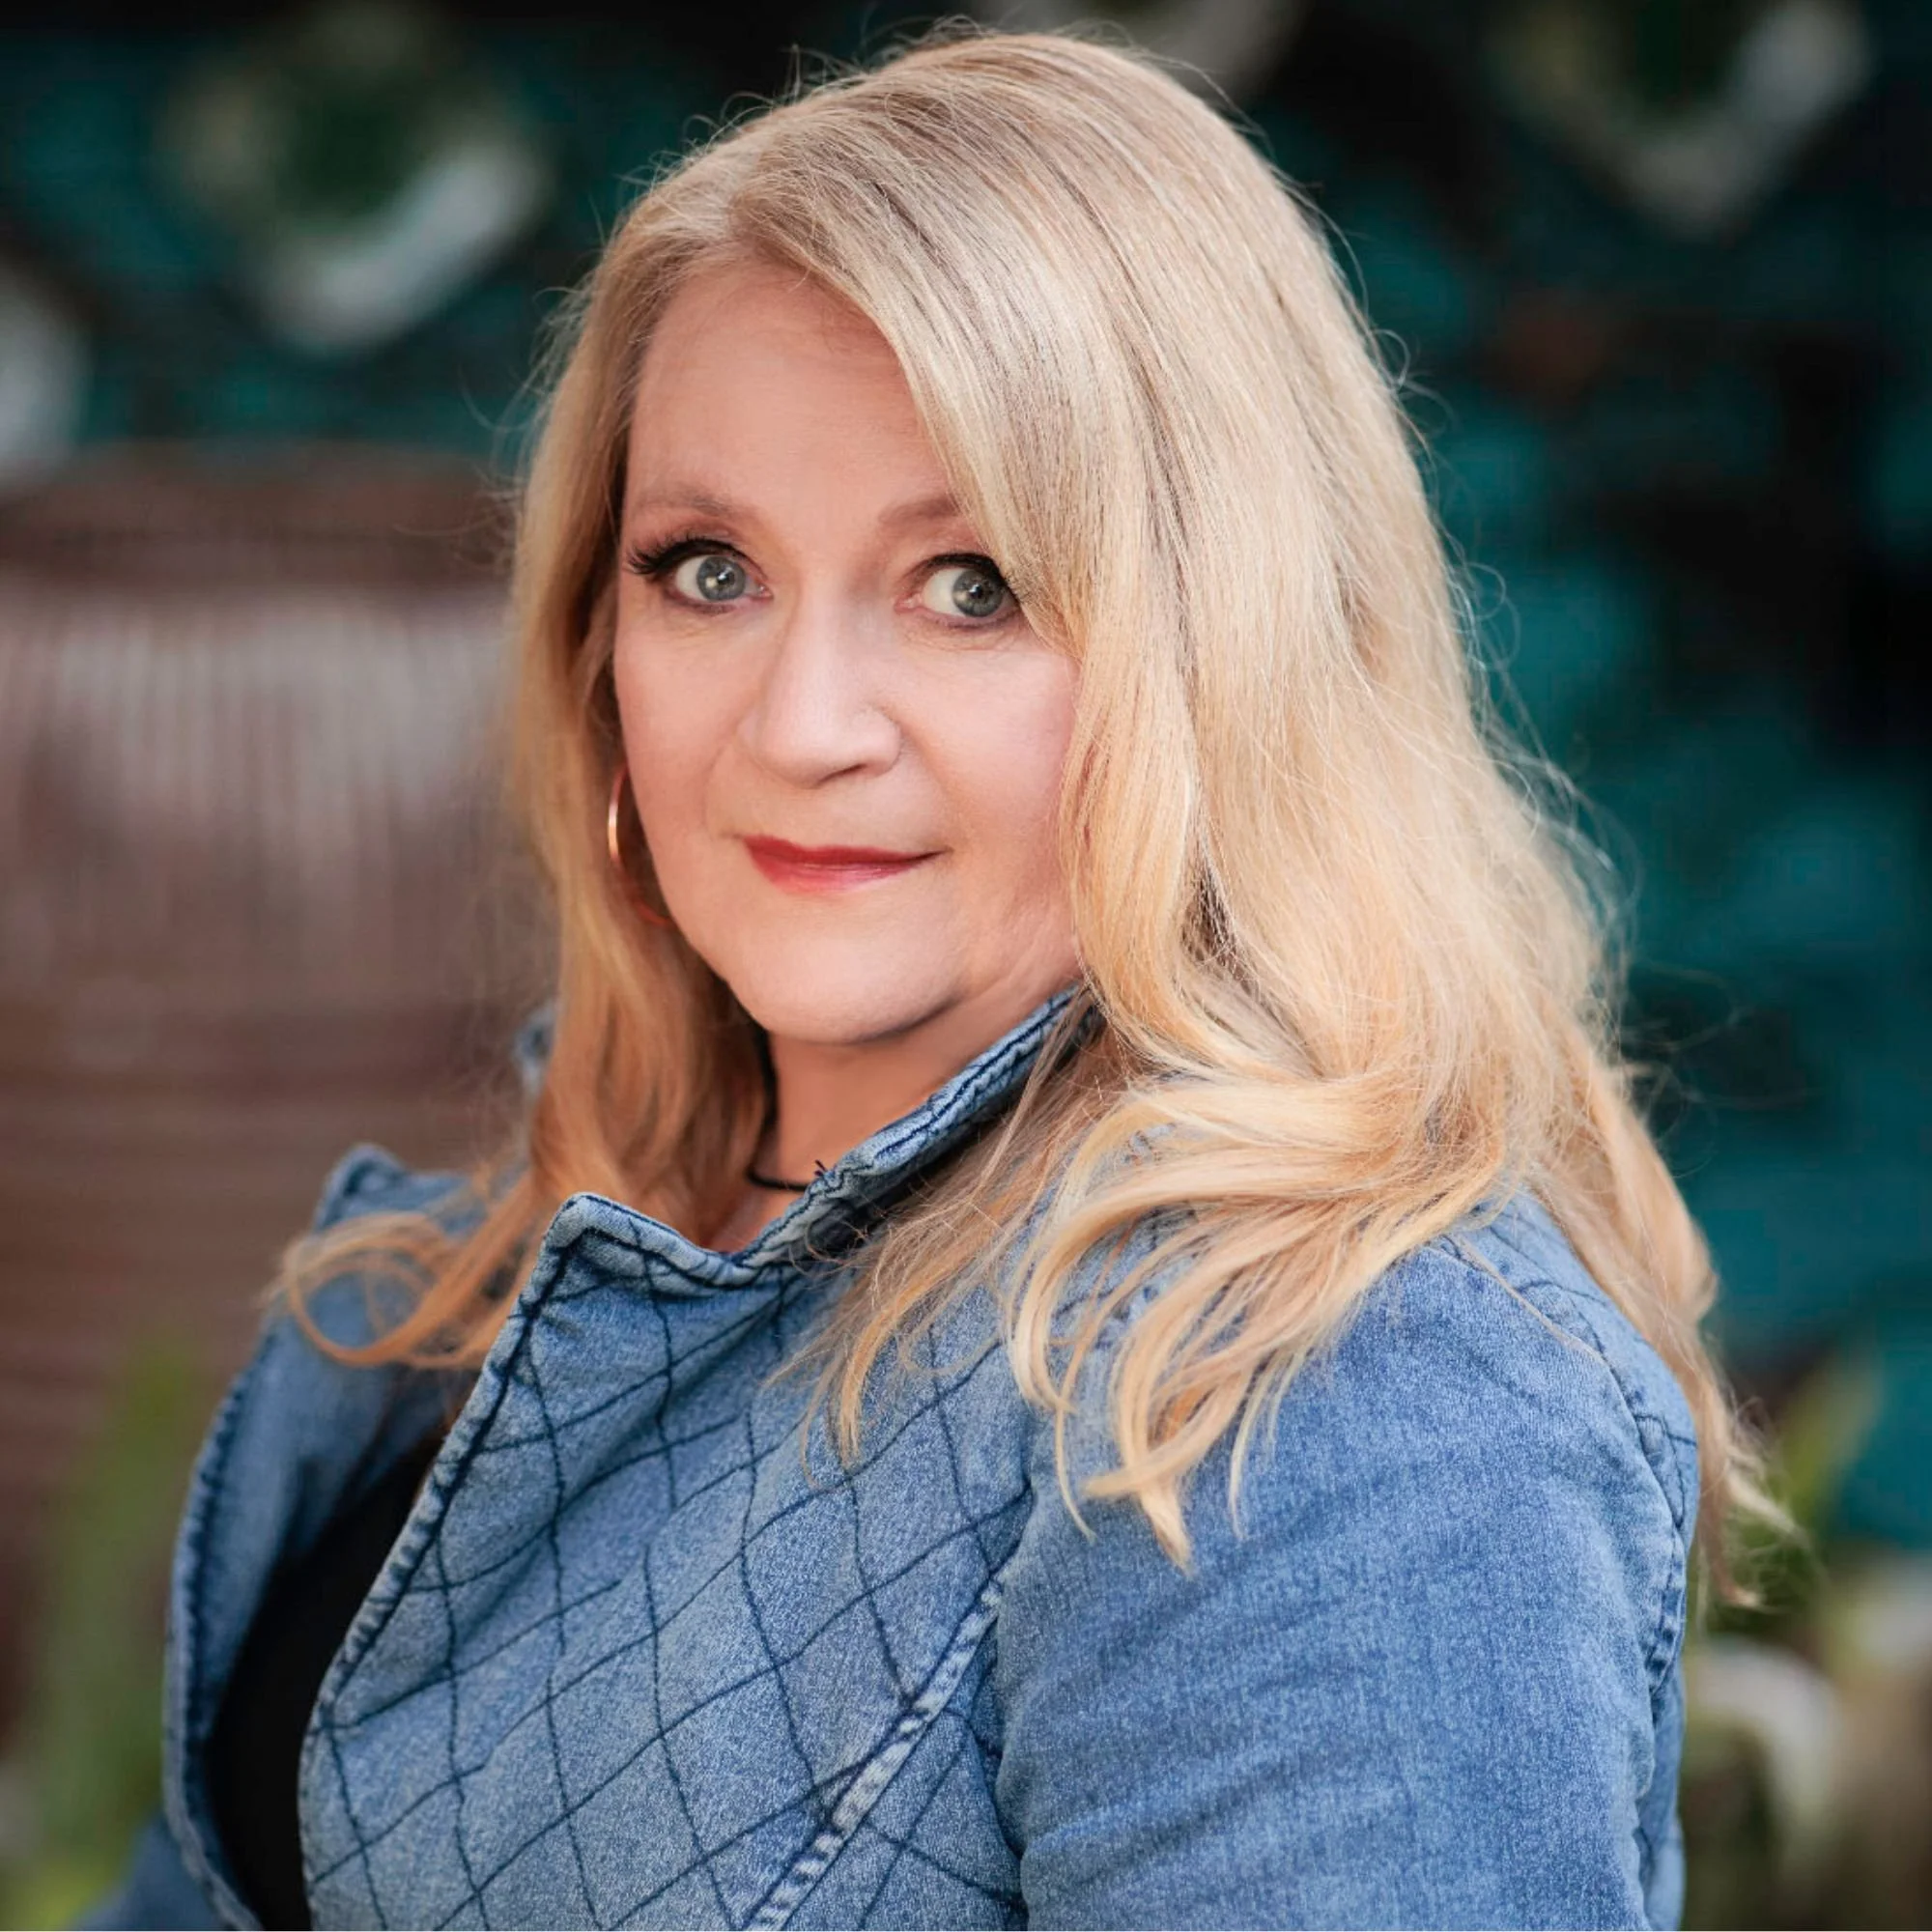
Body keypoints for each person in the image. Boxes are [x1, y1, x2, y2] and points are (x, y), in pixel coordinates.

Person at [89, 25, 1778, 1931]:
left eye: (968, 582)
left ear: (1221, 656)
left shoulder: (1307, 1387)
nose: (798, 725)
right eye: (706, 567)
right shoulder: (566, 1233)